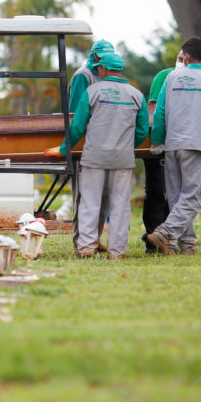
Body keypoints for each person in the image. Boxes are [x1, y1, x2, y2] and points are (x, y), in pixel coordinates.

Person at [45, 52, 149, 259]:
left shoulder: (92, 92)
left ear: (102, 69)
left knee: (90, 202)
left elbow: (76, 127)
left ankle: (86, 247)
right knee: (120, 204)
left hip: (94, 158)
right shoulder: (137, 95)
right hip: (122, 159)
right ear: (119, 69)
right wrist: (127, 147)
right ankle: (117, 251)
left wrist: (64, 149)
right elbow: (142, 130)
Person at [146, 37, 201, 255]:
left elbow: (160, 112)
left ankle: (188, 245)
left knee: (177, 198)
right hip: (195, 145)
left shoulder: (171, 77)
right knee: (193, 197)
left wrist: (157, 140)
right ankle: (164, 233)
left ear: (187, 57)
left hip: (172, 146)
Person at [63, 39, 115, 252]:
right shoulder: (83, 76)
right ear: (94, 56)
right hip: (86, 144)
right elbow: (76, 114)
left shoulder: (107, 75)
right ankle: (80, 242)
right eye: (101, 58)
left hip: (104, 143)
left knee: (103, 195)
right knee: (84, 195)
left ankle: (94, 239)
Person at [141, 52, 184, 253]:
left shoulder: (199, 79)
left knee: (177, 192)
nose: (183, 60)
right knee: (156, 190)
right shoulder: (164, 76)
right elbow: (153, 110)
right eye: (181, 56)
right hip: (157, 143)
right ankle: (152, 237)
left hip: (181, 143)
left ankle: (167, 235)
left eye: (187, 57)